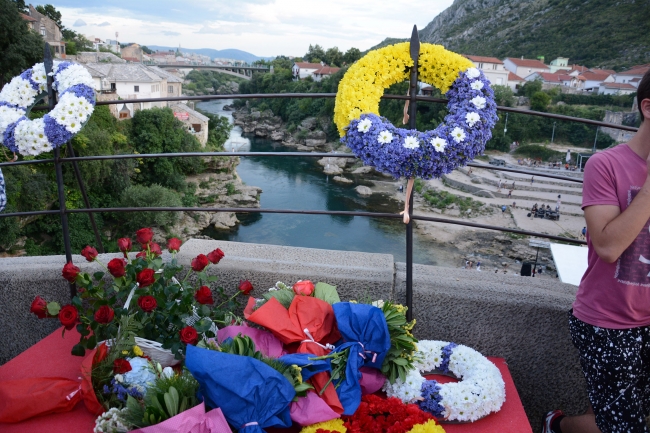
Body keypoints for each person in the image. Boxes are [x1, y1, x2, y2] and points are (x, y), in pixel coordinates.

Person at [543, 69, 650, 433]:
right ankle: (556, 426)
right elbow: (607, 246)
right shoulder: (606, 165)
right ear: (648, 107)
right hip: (608, 322)